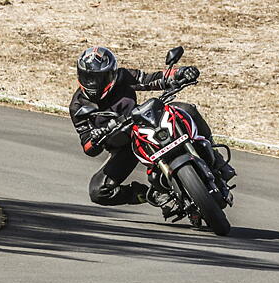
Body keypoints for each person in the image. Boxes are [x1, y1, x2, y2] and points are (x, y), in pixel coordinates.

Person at [69, 46, 235, 208]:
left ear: (111, 73)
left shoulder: (122, 76)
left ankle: (216, 158)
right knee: (98, 191)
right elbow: (88, 147)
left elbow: (149, 79)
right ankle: (149, 195)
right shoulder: (77, 106)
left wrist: (180, 73)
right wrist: (96, 138)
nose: (93, 83)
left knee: (185, 109)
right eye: (87, 77)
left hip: (144, 123)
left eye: (99, 77)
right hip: (123, 145)